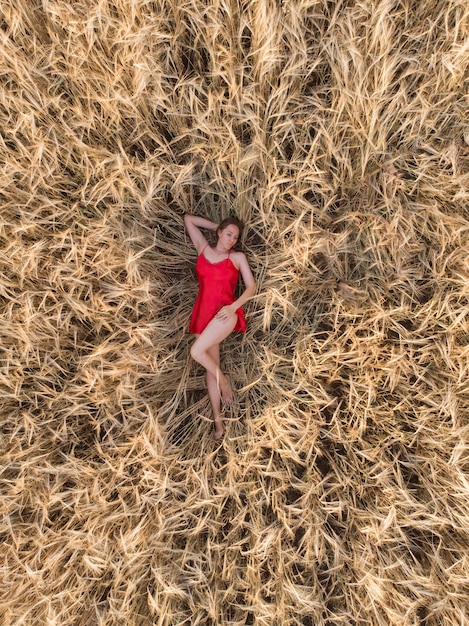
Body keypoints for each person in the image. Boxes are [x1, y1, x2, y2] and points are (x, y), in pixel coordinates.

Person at [184, 214, 256, 440]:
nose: (232, 239)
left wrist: (234, 307)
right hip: (202, 316)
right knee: (210, 368)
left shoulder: (237, 257)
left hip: (225, 314)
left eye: (236, 237)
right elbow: (188, 220)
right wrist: (219, 225)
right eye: (228, 234)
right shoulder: (203, 250)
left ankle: (224, 381)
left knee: (196, 352)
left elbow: (251, 287)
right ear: (219, 232)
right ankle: (218, 422)